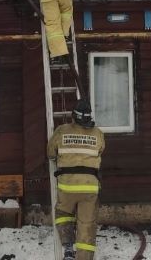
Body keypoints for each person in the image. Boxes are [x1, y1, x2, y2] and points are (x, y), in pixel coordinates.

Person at [47, 99, 105, 260]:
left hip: (67, 186)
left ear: (73, 116)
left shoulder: (61, 130)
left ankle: (67, 248)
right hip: (90, 187)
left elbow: (50, 153)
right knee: (87, 225)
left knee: (63, 214)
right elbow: (100, 151)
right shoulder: (98, 133)